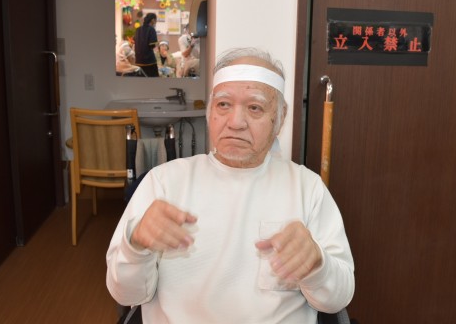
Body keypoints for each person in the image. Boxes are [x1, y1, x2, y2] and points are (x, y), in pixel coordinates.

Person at [106, 47, 355, 323]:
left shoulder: (307, 189)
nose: (235, 123)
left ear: (280, 117)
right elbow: (126, 295)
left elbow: (337, 299)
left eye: (255, 107)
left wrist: (317, 265)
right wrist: (136, 244)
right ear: (210, 111)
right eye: (223, 105)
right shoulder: (164, 182)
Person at [134, 13, 159, 77]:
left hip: (138, 61)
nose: (156, 22)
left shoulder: (138, 29)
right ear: (153, 20)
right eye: (156, 20)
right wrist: (156, 44)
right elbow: (152, 45)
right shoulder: (151, 29)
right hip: (149, 61)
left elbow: (135, 42)